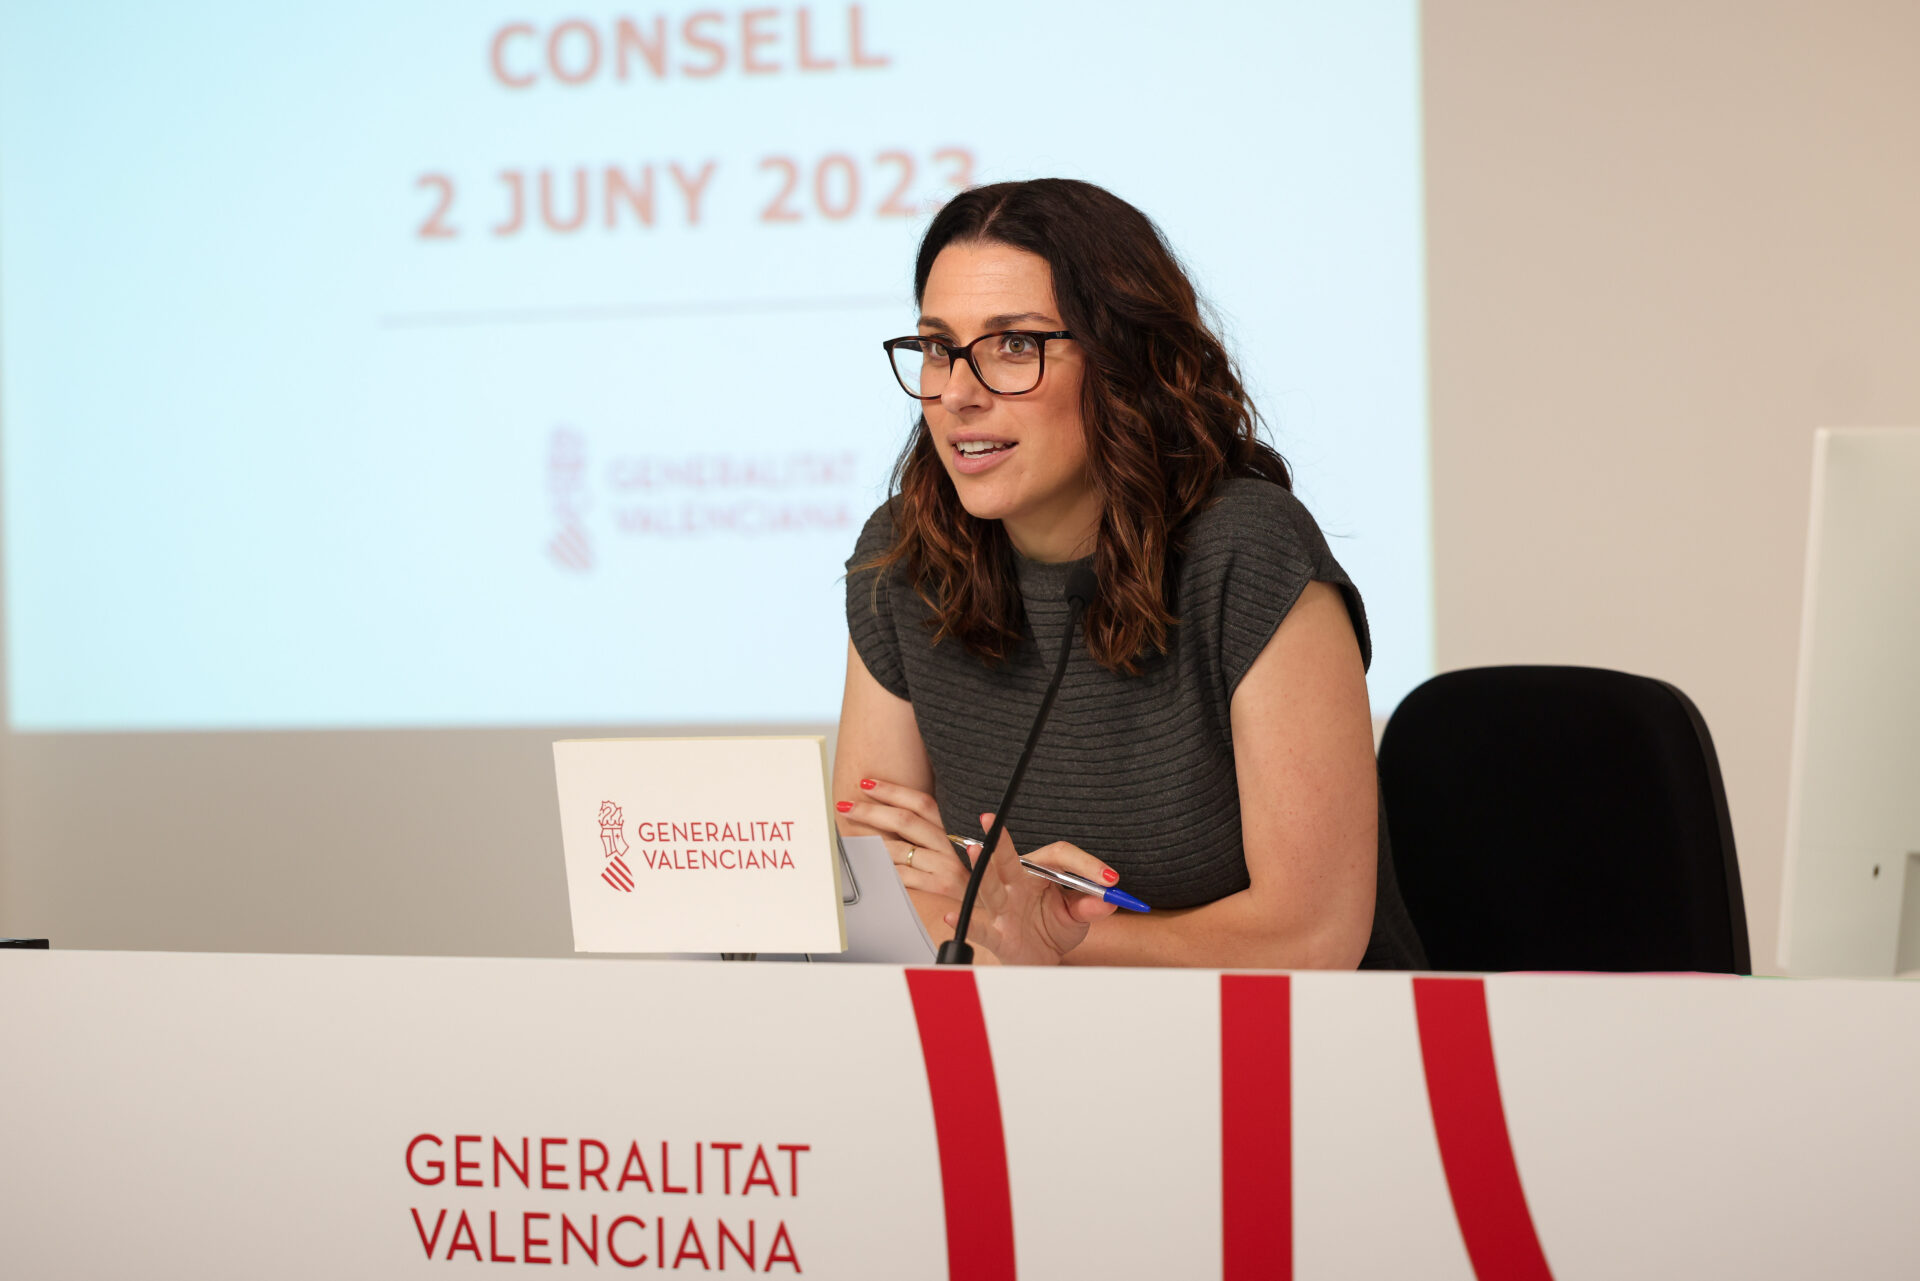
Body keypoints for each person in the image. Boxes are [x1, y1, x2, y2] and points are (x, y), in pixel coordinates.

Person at [834, 178, 1424, 969]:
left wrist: (1045, 942)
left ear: (1122, 361)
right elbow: (876, 890)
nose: (958, 394)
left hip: (1301, 1036)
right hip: (1017, 1033)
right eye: (939, 348)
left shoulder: (1246, 552)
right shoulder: (907, 555)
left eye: (1015, 345)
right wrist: (998, 936)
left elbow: (1311, 935)